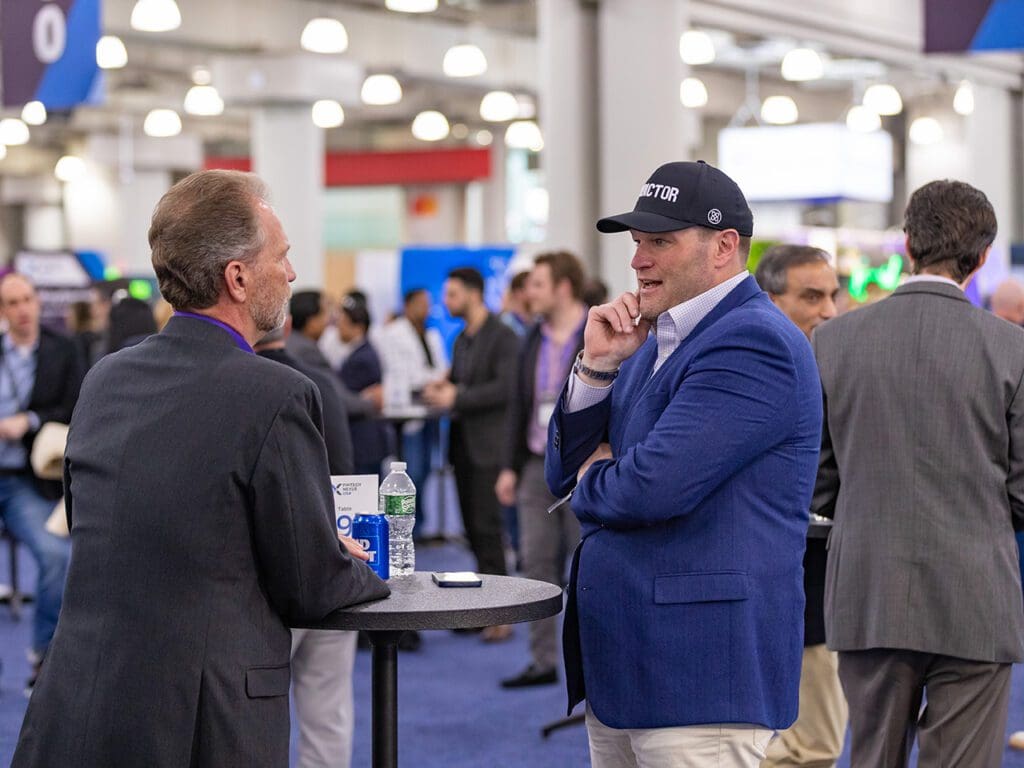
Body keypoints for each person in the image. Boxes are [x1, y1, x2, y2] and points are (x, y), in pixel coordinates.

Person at [12, 170, 390, 768]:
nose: (291, 274)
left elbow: (116, 526)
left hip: (81, 703)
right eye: (282, 256)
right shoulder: (276, 395)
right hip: (201, 724)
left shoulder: (106, 378)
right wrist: (353, 558)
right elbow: (311, 585)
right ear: (237, 278)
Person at [545, 160, 821, 767]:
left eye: (660, 242)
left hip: (701, 676)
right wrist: (597, 369)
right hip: (627, 667)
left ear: (724, 248)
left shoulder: (754, 341)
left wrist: (595, 476)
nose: (638, 259)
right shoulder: (654, 342)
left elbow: (647, 490)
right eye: (637, 242)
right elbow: (559, 472)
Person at [812, 179, 1024, 768]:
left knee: (872, 755)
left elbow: (817, 484)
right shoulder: (1013, 350)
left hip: (868, 588)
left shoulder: (832, 340)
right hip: (976, 592)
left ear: (906, 243)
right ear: (982, 257)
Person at [754, 245, 846, 768]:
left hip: (819, 569)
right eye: (812, 296)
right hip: (749, 573)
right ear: (770, 301)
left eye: (833, 295)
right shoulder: (744, 370)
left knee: (816, 741)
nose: (829, 310)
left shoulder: (840, 362)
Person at [254, 322, 359, 768]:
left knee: (255, 713)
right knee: (328, 711)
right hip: (337, 564)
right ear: (290, 326)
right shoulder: (324, 383)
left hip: (271, 581)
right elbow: (347, 475)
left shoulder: (247, 387)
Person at [496, 251, 586, 688]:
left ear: (563, 287)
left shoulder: (599, 330)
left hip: (586, 471)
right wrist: (508, 467)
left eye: (537, 284)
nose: (528, 293)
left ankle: (593, 667)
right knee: (535, 565)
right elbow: (520, 405)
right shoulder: (531, 338)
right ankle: (543, 661)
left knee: (588, 569)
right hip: (535, 466)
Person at [424, 267, 519, 642]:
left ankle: (502, 614)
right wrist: (443, 385)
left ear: (474, 294)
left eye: (452, 295)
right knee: (473, 533)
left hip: (490, 448)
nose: (446, 302)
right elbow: (461, 379)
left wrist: (457, 397)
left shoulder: (504, 336)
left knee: (489, 531)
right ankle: (483, 609)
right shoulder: (463, 339)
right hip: (462, 446)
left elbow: (506, 389)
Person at [0, 273, 83, 693]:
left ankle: (42, 658)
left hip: (26, 481)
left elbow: (75, 405)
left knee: (54, 555)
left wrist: (28, 422)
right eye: (12, 302)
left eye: (27, 299)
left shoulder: (63, 350)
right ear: (3, 311)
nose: (22, 308)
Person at [379, 288, 447, 523]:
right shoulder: (394, 333)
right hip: (407, 410)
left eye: (428, 304)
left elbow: (442, 369)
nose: (426, 309)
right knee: (413, 470)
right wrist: (431, 380)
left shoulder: (431, 334)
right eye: (420, 304)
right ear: (407, 305)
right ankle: (407, 523)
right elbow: (403, 374)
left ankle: (419, 521)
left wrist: (434, 381)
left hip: (432, 409)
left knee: (428, 469)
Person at [337, 297, 390, 477]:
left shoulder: (362, 359)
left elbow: (344, 395)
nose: (339, 328)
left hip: (365, 440)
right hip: (366, 440)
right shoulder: (359, 352)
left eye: (343, 323)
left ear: (358, 327)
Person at [500, 270, 531, 338]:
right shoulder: (505, 324)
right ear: (518, 293)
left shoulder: (537, 324)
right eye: (530, 287)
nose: (534, 292)